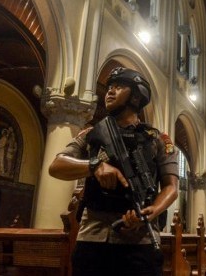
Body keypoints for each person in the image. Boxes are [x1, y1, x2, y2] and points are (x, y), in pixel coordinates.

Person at [49, 67, 179, 276]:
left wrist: (151, 212)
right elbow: (56, 166)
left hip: (140, 240)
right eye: (110, 87)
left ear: (136, 97)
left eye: (119, 87)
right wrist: (94, 166)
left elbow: (171, 187)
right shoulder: (91, 134)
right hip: (93, 237)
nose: (110, 91)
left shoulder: (156, 140)